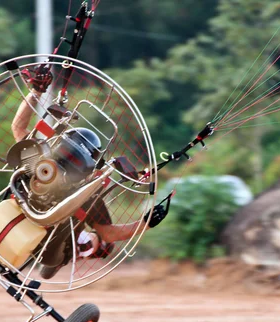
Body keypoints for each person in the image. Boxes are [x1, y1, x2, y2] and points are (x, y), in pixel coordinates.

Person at [11, 66, 168, 278]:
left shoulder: (87, 195)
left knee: (101, 244)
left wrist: (145, 224)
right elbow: (19, 128)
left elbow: (108, 234)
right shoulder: (41, 160)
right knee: (101, 241)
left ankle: (78, 247)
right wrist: (36, 91)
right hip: (18, 219)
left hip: (49, 247)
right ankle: (81, 245)